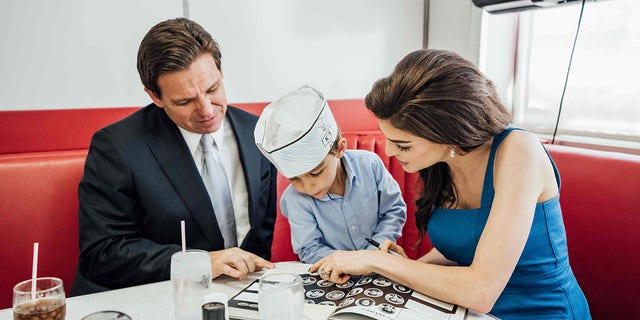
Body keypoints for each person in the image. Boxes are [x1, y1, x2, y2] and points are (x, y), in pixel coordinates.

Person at [310, 49, 591, 319]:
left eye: (403, 145)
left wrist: (378, 261)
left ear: (447, 132)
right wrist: (403, 268)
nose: (391, 153)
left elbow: (481, 290)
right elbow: (465, 245)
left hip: (540, 312)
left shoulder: (519, 150)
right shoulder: (440, 161)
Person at [71, 17, 277, 295]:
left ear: (220, 71)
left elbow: (260, 234)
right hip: (150, 298)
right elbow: (104, 252)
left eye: (212, 89)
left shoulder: (258, 132)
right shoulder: (116, 147)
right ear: (154, 96)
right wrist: (200, 262)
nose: (206, 110)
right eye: (185, 101)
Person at [254, 86, 406, 264]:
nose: (307, 187)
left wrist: (375, 252)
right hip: (331, 277)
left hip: (382, 263)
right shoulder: (295, 200)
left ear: (340, 149)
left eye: (316, 173)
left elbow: (394, 210)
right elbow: (309, 249)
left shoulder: (370, 165)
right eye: (294, 179)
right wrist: (351, 263)